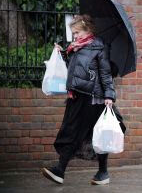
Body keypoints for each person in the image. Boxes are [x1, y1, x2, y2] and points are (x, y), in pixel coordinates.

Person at [41, 14, 126, 185]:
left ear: (87, 30)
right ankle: (98, 173)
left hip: (93, 99)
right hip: (77, 97)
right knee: (73, 131)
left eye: (77, 32)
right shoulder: (76, 47)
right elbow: (77, 69)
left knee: (90, 133)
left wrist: (109, 95)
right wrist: (63, 54)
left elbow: (105, 74)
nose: (75, 36)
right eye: (73, 33)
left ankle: (64, 169)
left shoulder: (99, 48)